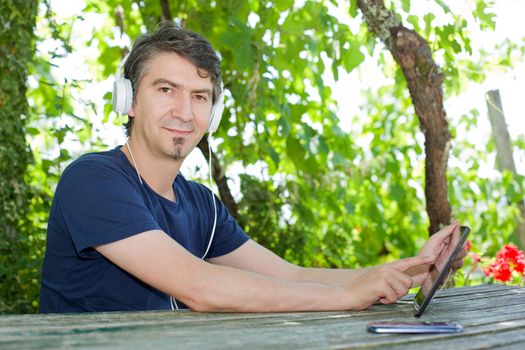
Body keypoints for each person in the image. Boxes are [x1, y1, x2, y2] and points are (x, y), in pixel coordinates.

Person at [39, 22, 466, 313]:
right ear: (128, 100)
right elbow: (200, 286)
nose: (184, 112)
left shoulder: (200, 205)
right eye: (166, 89)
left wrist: (411, 271)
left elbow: (293, 276)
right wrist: (346, 297)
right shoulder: (93, 181)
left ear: (213, 113)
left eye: (200, 96)